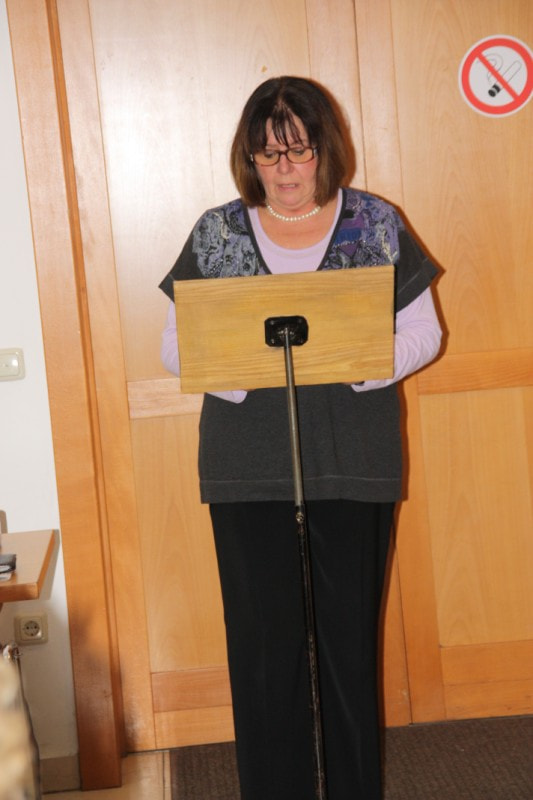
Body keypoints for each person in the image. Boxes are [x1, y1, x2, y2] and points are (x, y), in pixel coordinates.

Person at [159, 76, 442, 800]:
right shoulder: (217, 232)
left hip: (355, 461)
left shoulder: (375, 223)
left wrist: (363, 366)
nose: (284, 170)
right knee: (264, 653)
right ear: (248, 157)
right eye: (268, 154)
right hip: (247, 466)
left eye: (299, 150)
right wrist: (239, 373)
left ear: (326, 149)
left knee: (349, 647)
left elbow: (425, 332)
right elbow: (174, 343)